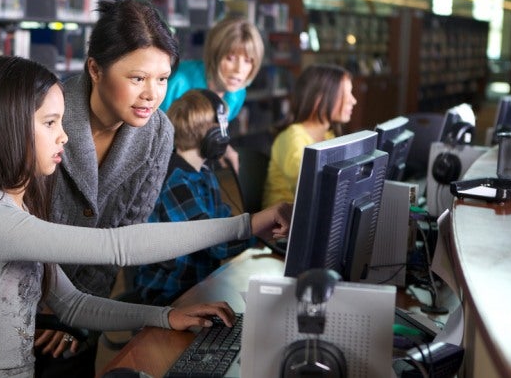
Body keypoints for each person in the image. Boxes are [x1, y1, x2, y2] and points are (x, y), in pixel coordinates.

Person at [0, 55, 291, 377]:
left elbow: (73, 304)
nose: (64, 137)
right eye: (50, 123)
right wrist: (246, 224)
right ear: (9, 127)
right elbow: (118, 246)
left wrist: (164, 317)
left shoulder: (17, 208)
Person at [38, 0, 178, 377]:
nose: (152, 94)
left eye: (162, 78)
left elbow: (123, 236)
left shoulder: (158, 134)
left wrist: (78, 315)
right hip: (20, 296)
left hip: (86, 303)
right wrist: (54, 309)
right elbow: (17, 223)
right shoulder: (45, 114)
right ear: (95, 69)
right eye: (137, 78)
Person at [134, 89, 293, 306]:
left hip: (199, 282)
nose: (226, 134)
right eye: (224, 126)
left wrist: (267, 232)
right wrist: (261, 227)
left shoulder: (204, 171)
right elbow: (215, 244)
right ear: (213, 135)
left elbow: (223, 219)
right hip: (169, 294)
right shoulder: (175, 181)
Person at [160, 16, 265, 171]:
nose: (239, 70)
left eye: (248, 60)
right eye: (230, 58)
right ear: (214, 55)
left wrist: (224, 146)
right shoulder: (179, 81)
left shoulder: (237, 93)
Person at [261, 63, 357, 209]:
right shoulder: (291, 138)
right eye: (346, 93)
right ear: (319, 99)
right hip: (283, 224)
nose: (353, 100)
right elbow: (311, 188)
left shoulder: (330, 136)